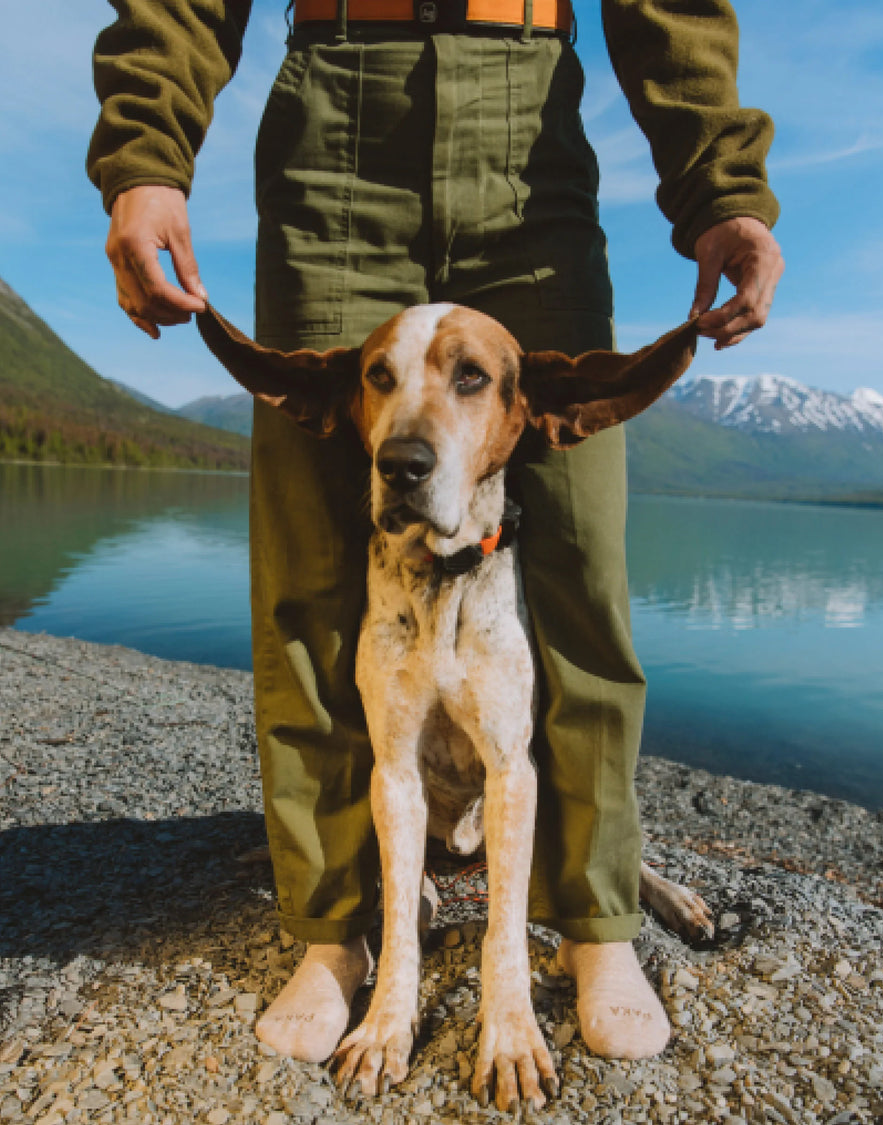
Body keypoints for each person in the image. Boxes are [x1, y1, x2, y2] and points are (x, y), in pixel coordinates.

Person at [88, 0, 783, 1070]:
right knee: (313, 566)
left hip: (529, 109)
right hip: (335, 115)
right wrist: (146, 151)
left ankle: (595, 921)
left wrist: (721, 184)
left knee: (583, 558)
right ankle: (335, 931)